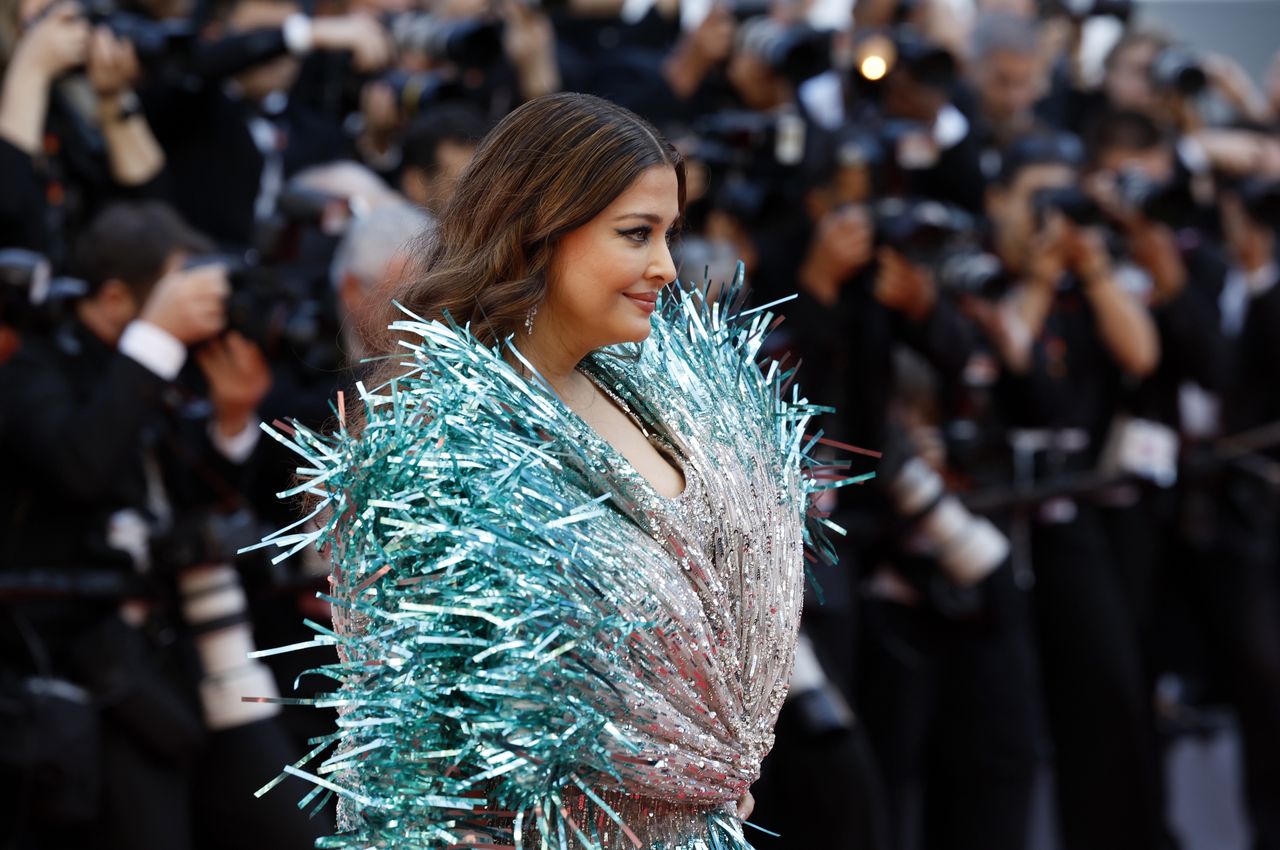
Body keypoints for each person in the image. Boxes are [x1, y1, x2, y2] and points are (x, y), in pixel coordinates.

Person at [248, 91, 842, 850]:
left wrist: (705, 778)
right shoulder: (436, 450)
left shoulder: (680, 402)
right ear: (541, 230)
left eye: (670, 234)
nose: (665, 266)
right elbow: (405, 769)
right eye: (636, 235)